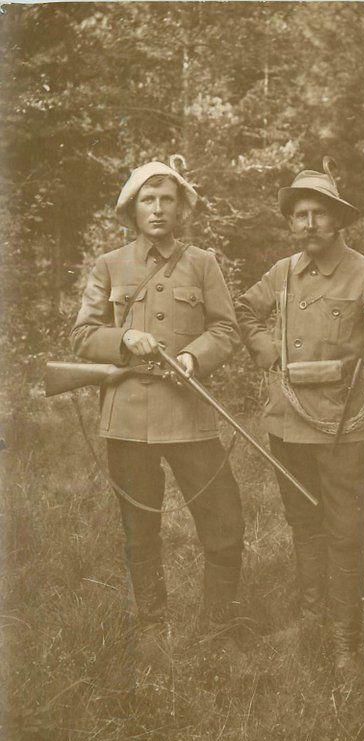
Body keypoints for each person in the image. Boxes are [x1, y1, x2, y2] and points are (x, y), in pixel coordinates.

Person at [236, 160, 364, 670]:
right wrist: (263, 347)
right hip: (285, 425)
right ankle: (313, 617)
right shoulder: (282, 273)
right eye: (300, 215)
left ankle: (346, 635)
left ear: (338, 220)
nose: (310, 223)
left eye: (319, 213)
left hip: (341, 428)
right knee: (303, 524)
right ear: (291, 223)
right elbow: (245, 311)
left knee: (346, 529)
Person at [70, 161, 244, 660]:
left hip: (190, 416)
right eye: (148, 199)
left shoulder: (202, 262)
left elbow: (227, 330)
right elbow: (81, 337)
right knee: (140, 529)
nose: (158, 208)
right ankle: (151, 626)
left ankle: (219, 627)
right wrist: (124, 337)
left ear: (181, 207)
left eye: (167, 199)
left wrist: (192, 356)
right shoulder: (109, 264)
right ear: (132, 209)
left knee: (225, 522)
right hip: (127, 420)